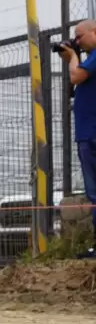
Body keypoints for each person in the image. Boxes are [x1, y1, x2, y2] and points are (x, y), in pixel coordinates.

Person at [59, 18, 96, 257]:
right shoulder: (90, 59)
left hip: (92, 135)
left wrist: (72, 58)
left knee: (95, 193)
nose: (77, 42)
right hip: (88, 134)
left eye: (80, 36)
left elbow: (76, 77)